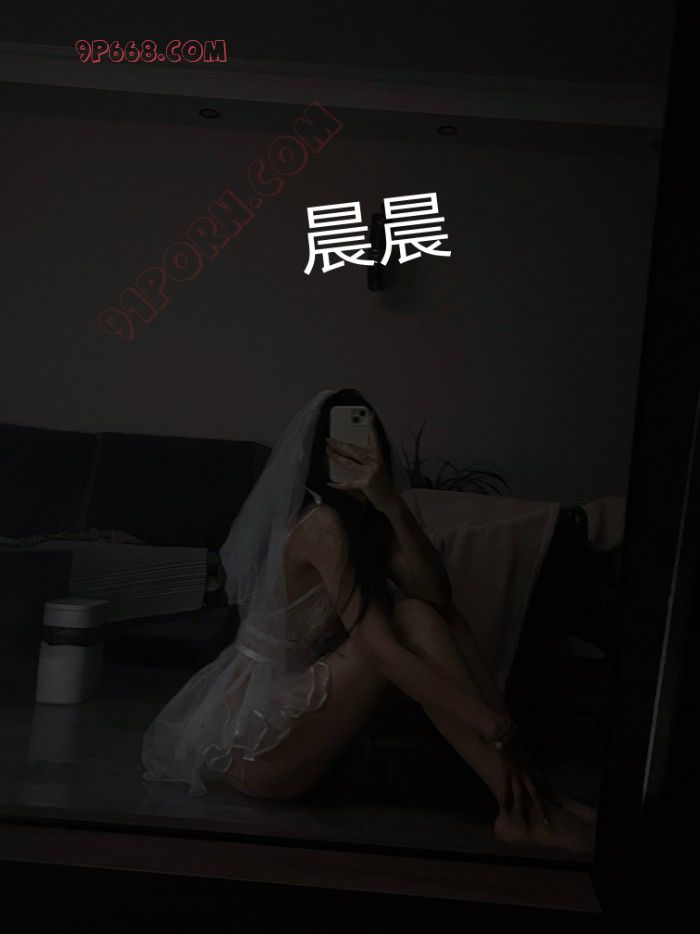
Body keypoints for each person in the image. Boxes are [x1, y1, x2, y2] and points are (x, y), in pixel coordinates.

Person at [142, 388, 596, 855]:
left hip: (300, 722)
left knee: (424, 613)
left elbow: (436, 595)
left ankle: (532, 799)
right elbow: (382, 652)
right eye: (342, 446)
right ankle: (522, 809)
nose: (357, 455)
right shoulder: (321, 525)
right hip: (258, 747)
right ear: (320, 457)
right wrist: (490, 722)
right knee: (403, 628)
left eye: (366, 443)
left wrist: (392, 504)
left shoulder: (363, 519)